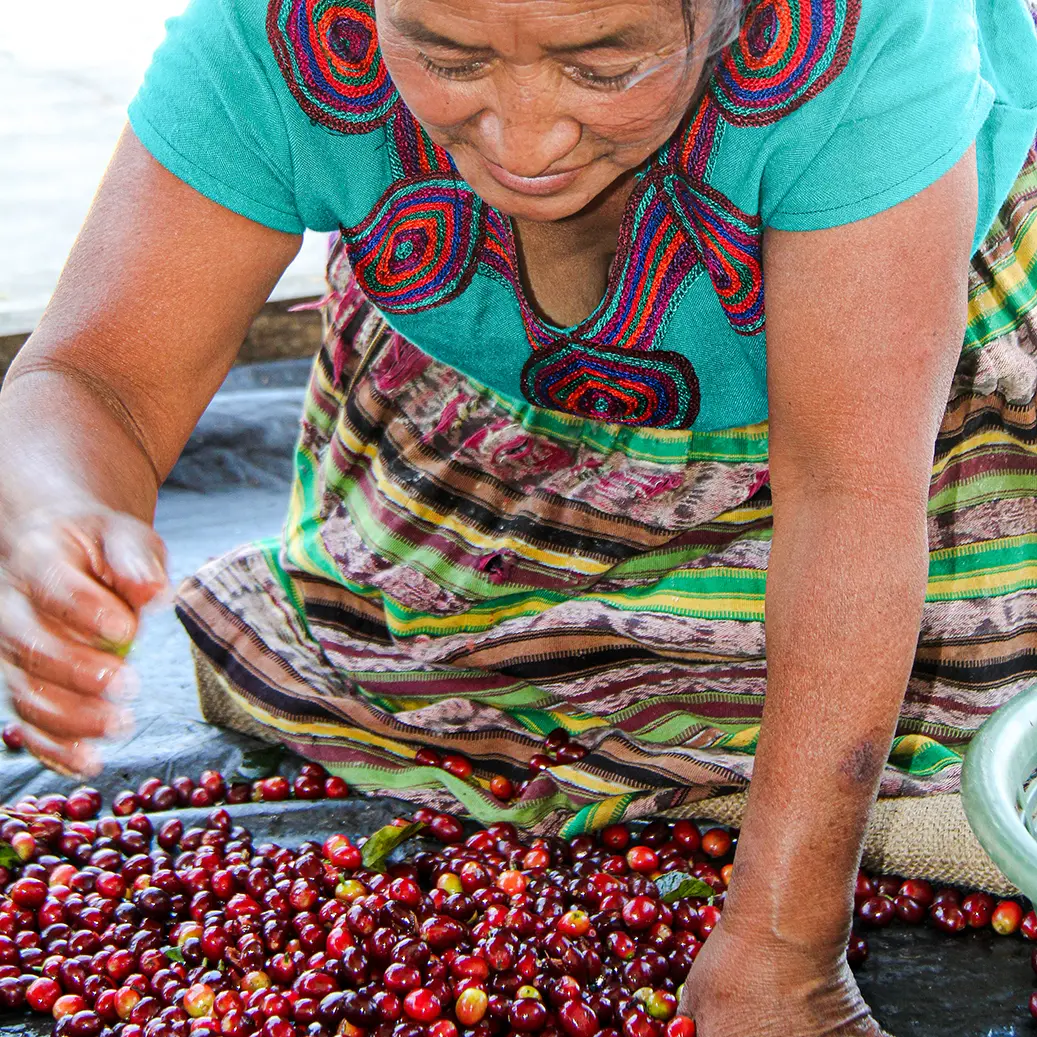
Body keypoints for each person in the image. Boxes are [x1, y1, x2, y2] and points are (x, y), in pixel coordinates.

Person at [2, 0, 1036, 1031]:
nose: (523, 140)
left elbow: (848, 487)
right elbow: (97, 376)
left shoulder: (869, 37)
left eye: (601, 62)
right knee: (457, 677)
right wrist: (56, 512)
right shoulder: (275, 29)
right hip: (496, 384)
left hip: (888, 391)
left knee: (918, 713)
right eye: (446, 55)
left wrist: (782, 945)